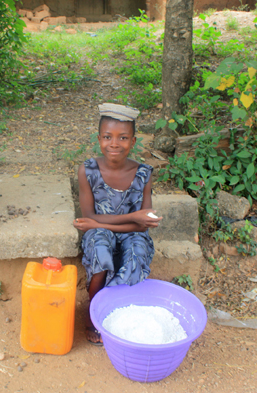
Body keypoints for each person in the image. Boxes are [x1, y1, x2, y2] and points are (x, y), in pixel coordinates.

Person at [73, 103, 162, 345]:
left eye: (123, 138)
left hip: (128, 232)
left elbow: (142, 227)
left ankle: (117, 314)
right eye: (107, 137)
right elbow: (89, 215)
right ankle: (94, 313)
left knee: (136, 253)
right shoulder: (88, 171)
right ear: (98, 138)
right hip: (101, 232)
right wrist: (133, 217)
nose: (114, 144)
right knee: (101, 251)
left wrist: (99, 224)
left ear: (133, 142)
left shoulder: (143, 173)